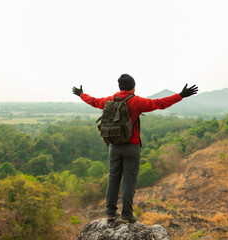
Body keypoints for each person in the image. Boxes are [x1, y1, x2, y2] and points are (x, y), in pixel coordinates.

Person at [72, 74, 198, 223]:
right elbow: (159, 103)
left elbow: (93, 101)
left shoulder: (110, 100)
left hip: (114, 146)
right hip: (131, 146)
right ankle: (126, 215)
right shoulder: (136, 101)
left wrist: (81, 94)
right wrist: (181, 95)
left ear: (119, 87)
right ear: (133, 87)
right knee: (129, 181)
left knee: (113, 178)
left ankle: (111, 212)